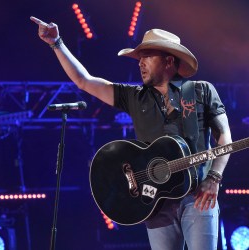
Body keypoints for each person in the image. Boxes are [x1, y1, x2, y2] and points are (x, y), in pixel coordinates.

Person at [30, 16, 232, 250]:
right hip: (155, 201)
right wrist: (57, 43)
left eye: (147, 56)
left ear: (168, 60)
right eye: (139, 58)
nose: (140, 63)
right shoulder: (135, 97)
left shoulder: (201, 91)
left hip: (198, 196)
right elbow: (84, 81)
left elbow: (225, 137)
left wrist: (214, 178)